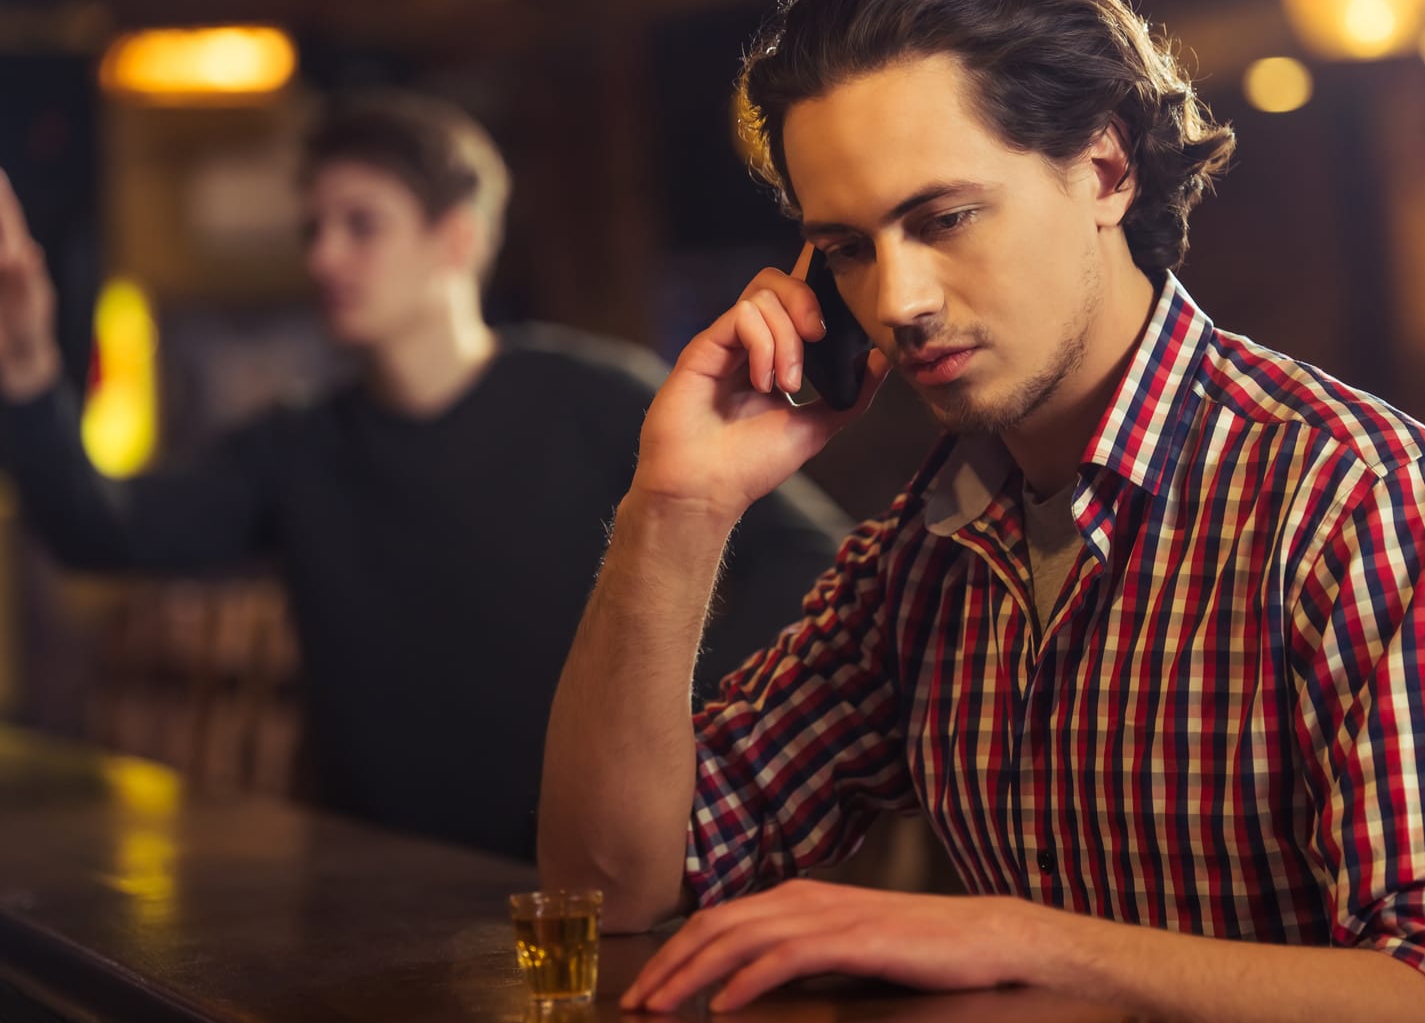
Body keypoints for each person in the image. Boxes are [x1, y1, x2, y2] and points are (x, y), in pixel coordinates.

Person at [536, 0, 1425, 1023]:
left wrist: (1018, 940)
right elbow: (616, 886)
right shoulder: (922, 552)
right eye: (850, 249)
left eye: (943, 217)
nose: (896, 301)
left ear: (1104, 167)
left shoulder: (1354, 498)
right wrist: (675, 508)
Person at [0, 91, 848, 860]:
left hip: (585, 883)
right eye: (313, 229)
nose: (324, 257)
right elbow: (98, 531)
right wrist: (29, 360)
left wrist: (673, 715)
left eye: (360, 224)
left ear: (457, 238)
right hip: (366, 887)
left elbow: (814, 556)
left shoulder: (594, 396)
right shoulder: (299, 444)